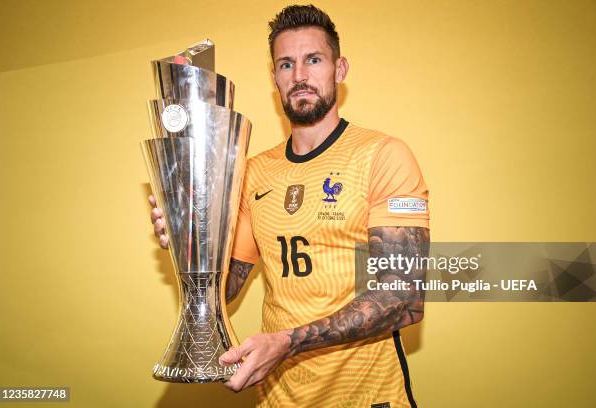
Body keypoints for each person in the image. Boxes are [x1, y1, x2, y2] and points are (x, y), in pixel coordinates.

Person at [149, 5, 430, 407]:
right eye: (286, 64)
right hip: (279, 399)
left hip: (368, 398)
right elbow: (223, 292)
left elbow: (402, 300)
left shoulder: (383, 155)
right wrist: (188, 239)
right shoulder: (253, 172)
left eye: (313, 60)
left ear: (340, 68)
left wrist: (287, 342)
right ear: (274, 77)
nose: (299, 76)